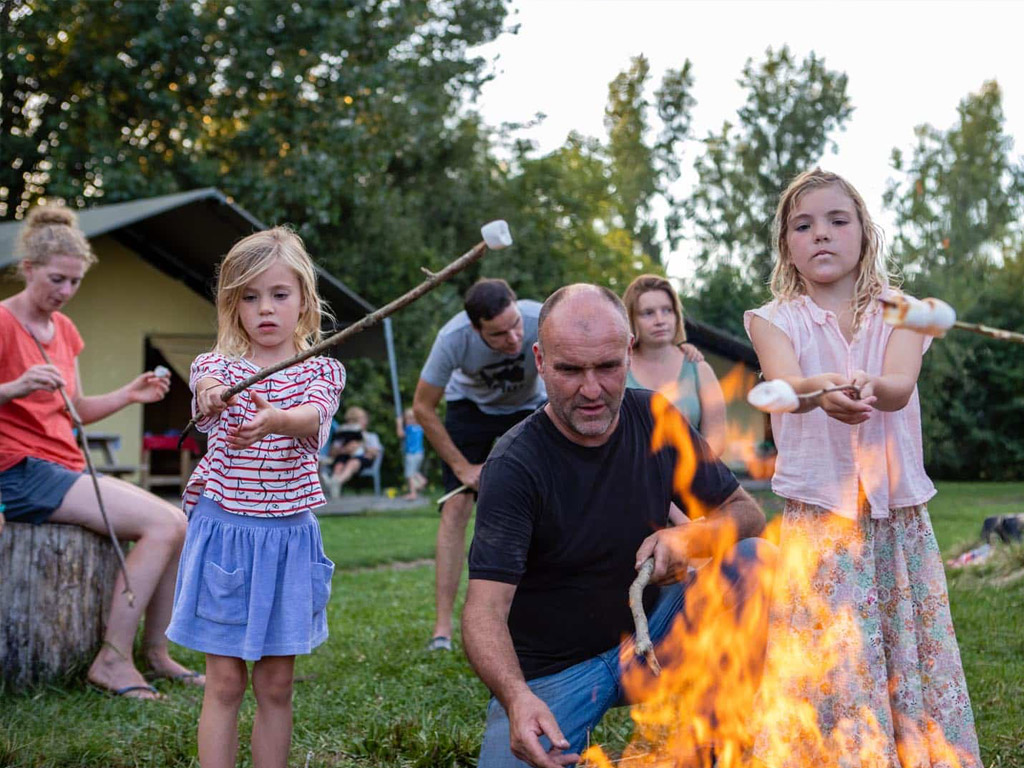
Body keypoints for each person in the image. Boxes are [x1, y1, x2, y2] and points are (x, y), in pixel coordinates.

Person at [462, 284, 771, 768]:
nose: (591, 389)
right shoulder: (515, 463)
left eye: (607, 367)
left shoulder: (656, 417)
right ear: (540, 360)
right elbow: (483, 613)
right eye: (569, 370)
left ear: (628, 352)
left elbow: (747, 514)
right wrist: (516, 697)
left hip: (656, 640)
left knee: (756, 561)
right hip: (555, 674)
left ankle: (711, 744)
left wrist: (689, 537)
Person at [744, 169, 980, 767]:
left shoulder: (906, 312)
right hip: (821, 520)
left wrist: (864, 385)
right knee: (828, 651)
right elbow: (782, 385)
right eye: (804, 225)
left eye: (837, 220)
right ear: (787, 247)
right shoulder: (774, 319)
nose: (821, 234)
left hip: (892, 519)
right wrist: (821, 389)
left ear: (865, 234)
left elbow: (899, 386)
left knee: (905, 648)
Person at [164, 227, 345, 768]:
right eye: (249, 296)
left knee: (276, 685)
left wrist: (277, 421)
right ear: (232, 304)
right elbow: (205, 392)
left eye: (278, 294)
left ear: (304, 301)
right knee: (222, 683)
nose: (265, 308)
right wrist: (214, 398)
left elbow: (315, 415)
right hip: (226, 537)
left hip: (287, 540)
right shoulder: (217, 367)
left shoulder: (323, 370)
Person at [0, 205, 196, 700]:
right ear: (27, 268)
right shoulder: (1, 322)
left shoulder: (64, 331)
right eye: (56, 279)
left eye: (75, 282)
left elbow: (77, 410)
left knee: (177, 520)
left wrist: (130, 394)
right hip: (17, 471)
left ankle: (155, 654)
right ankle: (111, 659)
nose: (65, 292)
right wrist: (14, 388)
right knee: (163, 524)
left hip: (61, 464)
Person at [413, 278, 547, 651]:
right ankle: (442, 631)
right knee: (455, 507)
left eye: (515, 324)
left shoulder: (542, 318)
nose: (514, 338)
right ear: (476, 329)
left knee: (545, 503)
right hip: (470, 409)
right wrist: (462, 469)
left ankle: (538, 615)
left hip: (529, 407)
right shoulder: (453, 338)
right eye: (500, 334)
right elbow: (422, 408)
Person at [622, 274, 726, 457]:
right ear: (631, 319)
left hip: (690, 477)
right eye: (648, 313)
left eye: (667, 310)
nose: (660, 320)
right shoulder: (619, 368)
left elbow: (716, 438)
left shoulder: (698, 368)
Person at [326, 405, 380, 498]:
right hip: (343, 458)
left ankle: (336, 482)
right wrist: (345, 449)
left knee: (353, 462)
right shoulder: (342, 436)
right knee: (339, 465)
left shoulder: (371, 436)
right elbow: (332, 453)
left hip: (361, 460)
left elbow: (375, 452)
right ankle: (334, 486)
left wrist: (362, 445)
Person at [396, 407, 427, 501]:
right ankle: (422, 481)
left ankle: (413, 493)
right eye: (407, 418)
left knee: (409, 475)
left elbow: (400, 434)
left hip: (412, 454)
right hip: (420, 453)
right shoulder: (420, 428)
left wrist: (398, 423)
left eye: (410, 418)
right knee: (414, 472)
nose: (408, 421)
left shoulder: (410, 428)